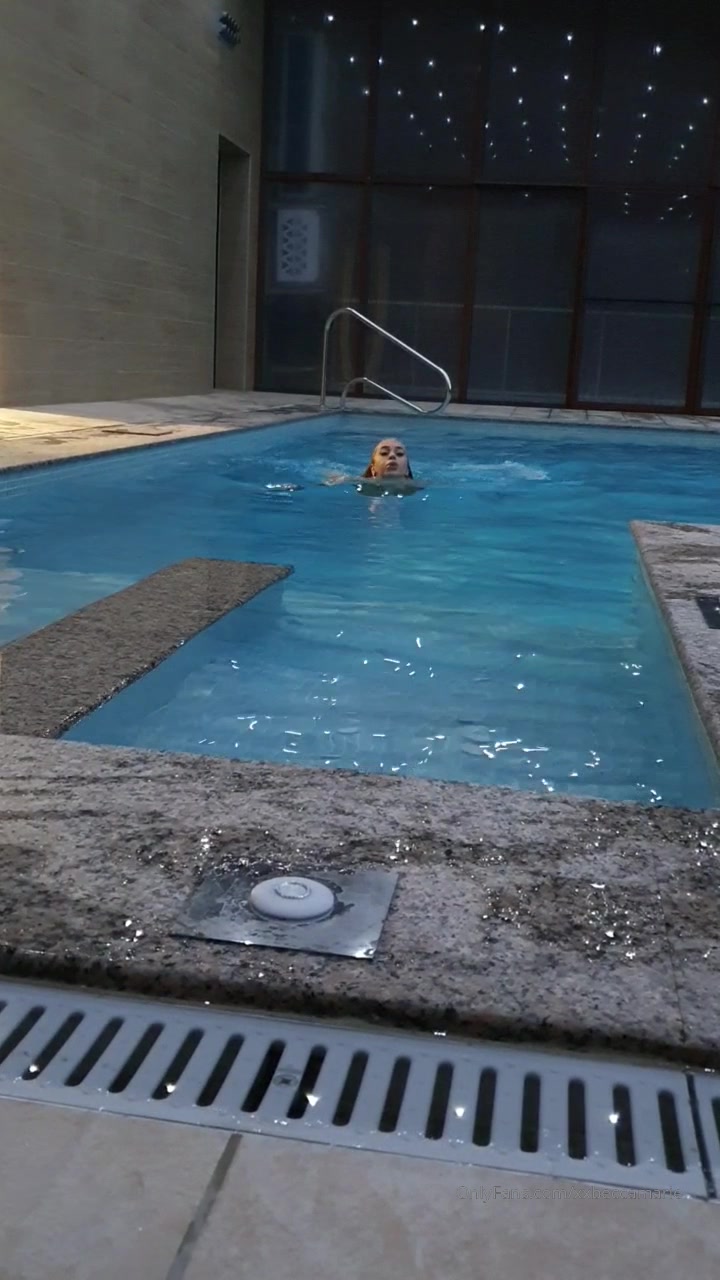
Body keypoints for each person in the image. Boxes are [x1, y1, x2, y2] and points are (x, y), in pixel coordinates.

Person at [325, 438, 422, 491]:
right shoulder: (362, 484)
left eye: (399, 454)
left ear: (407, 470)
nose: (392, 456)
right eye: (384, 453)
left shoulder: (417, 487)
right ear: (373, 468)